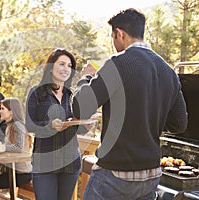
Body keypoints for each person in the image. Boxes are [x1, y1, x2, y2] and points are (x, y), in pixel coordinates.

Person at [72, 8, 188, 200]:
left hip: (115, 175)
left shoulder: (117, 64)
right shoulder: (168, 71)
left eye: (113, 37)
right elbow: (179, 124)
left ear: (120, 34)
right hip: (150, 175)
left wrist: (86, 78)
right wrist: (150, 114)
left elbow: (80, 108)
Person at [25, 48, 91, 200]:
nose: (66, 69)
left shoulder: (72, 95)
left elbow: (76, 128)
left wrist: (85, 126)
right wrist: (50, 125)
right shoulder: (36, 92)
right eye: (62, 64)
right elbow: (29, 125)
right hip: (45, 164)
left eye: (69, 66)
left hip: (70, 163)